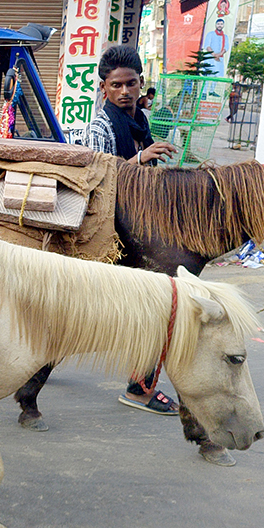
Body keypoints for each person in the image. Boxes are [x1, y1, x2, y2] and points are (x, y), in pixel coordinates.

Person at [83, 45, 181, 415]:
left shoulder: (141, 122)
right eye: (116, 85)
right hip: (110, 231)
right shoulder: (101, 126)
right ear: (104, 88)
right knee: (156, 307)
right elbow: (98, 182)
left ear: (142, 84)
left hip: (141, 226)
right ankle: (139, 388)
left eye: (132, 84)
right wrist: (140, 159)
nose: (125, 92)